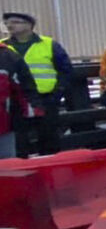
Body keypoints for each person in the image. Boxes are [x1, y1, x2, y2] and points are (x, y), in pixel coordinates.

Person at [3, 12, 73, 156]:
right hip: (17, 101)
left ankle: (50, 170)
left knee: (49, 139)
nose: (10, 26)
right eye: (7, 23)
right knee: (19, 141)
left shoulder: (48, 44)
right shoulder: (3, 47)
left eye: (15, 22)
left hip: (45, 98)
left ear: (29, 25)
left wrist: (57, 93)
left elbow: (65, 70)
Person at [0, 40, 35, 159]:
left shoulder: (6, 56)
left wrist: (29, 111)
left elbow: (24, 88)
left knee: (8, 166)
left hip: (5, 125)